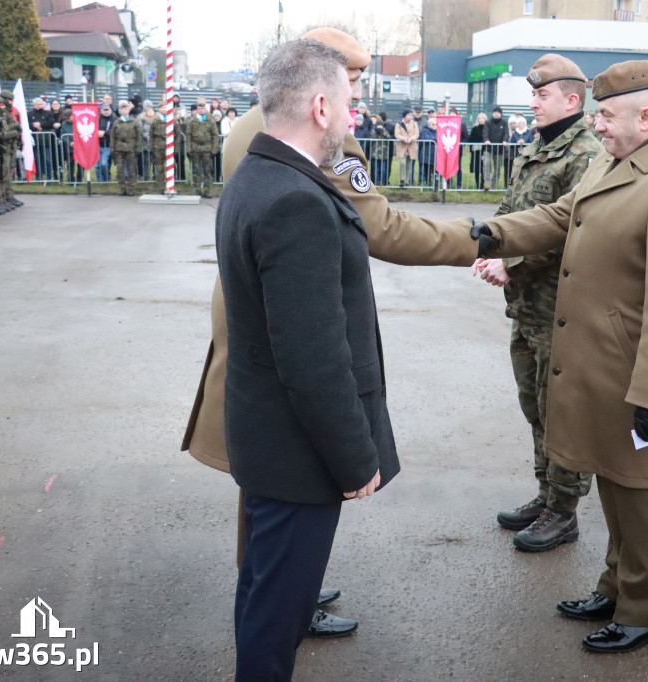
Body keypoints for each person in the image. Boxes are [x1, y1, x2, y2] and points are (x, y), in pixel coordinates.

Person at [181, 27, 478, 645]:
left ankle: (280, 590)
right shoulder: (306, 162)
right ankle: (287, 601)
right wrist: (486, 237)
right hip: (284, 331)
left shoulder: (253, 134)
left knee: (263, 502)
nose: (357, 101)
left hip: (248, 331)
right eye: (352, 85)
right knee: (283, 518)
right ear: (320, 93)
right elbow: (385, 230)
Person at [471, 60, 648, 653]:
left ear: (647, 115)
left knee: (644, 496)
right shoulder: (618, 160)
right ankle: (615, 587)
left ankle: (644, 611)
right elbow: (562, 215)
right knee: (615, 486)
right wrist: (492, 233)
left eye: (605, 115)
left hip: (642, 377)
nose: (597, 124)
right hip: (610, 368)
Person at [218, 38, 391, 681]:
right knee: (278, 614)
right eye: (348, 99)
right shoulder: (295, 199)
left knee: (264, 591)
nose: (353, 112)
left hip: (270, 438)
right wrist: (354, 458)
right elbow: (312, 357)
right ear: (321, 105)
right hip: (298, 452)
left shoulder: (258, 175)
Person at [471, 54, 602, 552]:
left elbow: (572, 229)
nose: (533, 103)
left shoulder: (585, 154)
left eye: (542, 95)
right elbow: (513, 210)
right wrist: (490, 248)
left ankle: (564, 511)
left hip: (560, 309)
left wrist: (513, 262)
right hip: (528, 307)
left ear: (571, 99)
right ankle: (546, 494)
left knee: (561, 409)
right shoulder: (539, 149)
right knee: (536, 405)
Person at [187, 98, 220, 197]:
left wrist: (214, 149)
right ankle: (197, 189)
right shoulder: (192, 121)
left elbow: (215, 135)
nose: (201, 110)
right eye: (199, 108)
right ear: (197, 109)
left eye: (203, 108)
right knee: (196, 170)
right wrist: (188, 148)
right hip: (195, 148)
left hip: (207, 148)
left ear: (205, 109)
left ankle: (207, 190)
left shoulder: (210, 121)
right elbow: (188, 135)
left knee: (208, 171)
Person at [110, 101, 142, 196]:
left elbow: (139, 135)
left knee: (131, 169)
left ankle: (131, 188)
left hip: (131, 148)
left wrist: (138, 148)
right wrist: (112, 148)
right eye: (122, 109)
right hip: (119, 148)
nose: (124, 110)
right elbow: (112, 137)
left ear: (129, 110)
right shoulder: (116, 122)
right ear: (119, 111)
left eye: (126, 108)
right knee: (120, 170)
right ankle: (122, 188)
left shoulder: (134, 121)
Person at [482, 106, 509, 189]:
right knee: (486, 165)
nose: (496, 113)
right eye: (495, 112)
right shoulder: (488, 123)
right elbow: (485, 132)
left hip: (500, 150)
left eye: (498, 112)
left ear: (500, 114)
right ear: (493, 113)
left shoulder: (504, 123)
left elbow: (506, 133)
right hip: (489, 149)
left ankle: (494, 185)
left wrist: (505, 140)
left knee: (497, 169)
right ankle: (487, 183)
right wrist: (486, 140)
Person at [395, 109, 418, 186]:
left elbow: (416, 134)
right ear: (405, 116)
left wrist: (411, 138)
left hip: (411, 146)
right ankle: (402, 179)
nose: (411, 116)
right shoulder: (399, 124)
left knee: (409, 163)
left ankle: (407, 180)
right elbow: (397, 134)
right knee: (402, 162)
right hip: (402, 145)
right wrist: (404, 138)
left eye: (411, 115)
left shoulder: (414, 124)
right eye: (409, 115)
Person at [368, 114, 391, 185]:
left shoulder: (385, 131)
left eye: (381, 125)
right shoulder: (373, 131)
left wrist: (383, 131)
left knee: (383, 169)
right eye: (378, 125)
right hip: (374, 154)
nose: (379, 127)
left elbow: (389, 137)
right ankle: (376, 181)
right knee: (376, 169)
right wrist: (376, 131)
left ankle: (382, 181)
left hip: (383, 154)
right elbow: (371, 138)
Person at [95, 103, 115, 183]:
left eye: (108, 110)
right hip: (96, 146)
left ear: (111, 110)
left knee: (103, 163)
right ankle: (99, 181)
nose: (106, 111)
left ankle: (107, 179)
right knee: (96, 166)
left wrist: (104, 133)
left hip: (107, 145)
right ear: (101, 110)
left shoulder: (114, 119)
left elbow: (114, 130)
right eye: (104, 110)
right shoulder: (97, 118)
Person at [417, 114, 437, 187]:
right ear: (429, 124)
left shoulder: (438, 131)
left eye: (436, 124)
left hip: (436, 155)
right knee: (427, 171)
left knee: (435, 171)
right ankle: (428, 184)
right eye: (433, 124)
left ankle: (435, 184)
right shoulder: (425, 131)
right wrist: (436, 139)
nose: (435, 125)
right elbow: (426, 139)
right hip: (427, 155)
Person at [468, 112, 487, 189]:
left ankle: (483, 183)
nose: (481, 120)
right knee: (476, 168)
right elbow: (470, 140)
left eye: (482, 118)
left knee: (484, 168)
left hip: (484, 151)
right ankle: (477, 184)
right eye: (479, 118)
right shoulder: (474, 129)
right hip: (476, 151)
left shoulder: (487, 129)